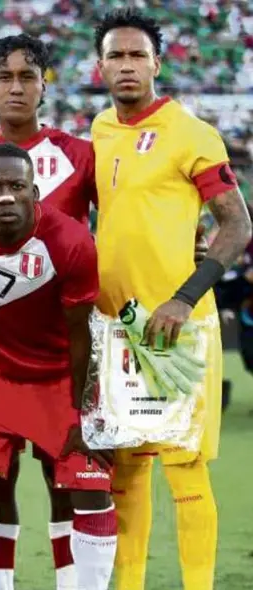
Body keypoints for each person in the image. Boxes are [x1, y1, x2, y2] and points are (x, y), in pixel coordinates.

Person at [91, 9, 252, 590]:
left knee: (186, 471)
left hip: (179, 327)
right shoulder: (100, 129)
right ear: (100, 65)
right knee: (127, 472)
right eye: (117, 55)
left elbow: (236, 225)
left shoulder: (192, 133)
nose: (127, 65)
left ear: (157, 63)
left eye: (138, 55)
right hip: (117, 328)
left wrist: (184, 298)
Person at [0, 34, 97, 590]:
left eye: (27, 76)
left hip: (63, 352)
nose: (15, 86)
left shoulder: (81, 153)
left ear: (43, 85)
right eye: (3, 77)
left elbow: (118, 223)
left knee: (65, 481)